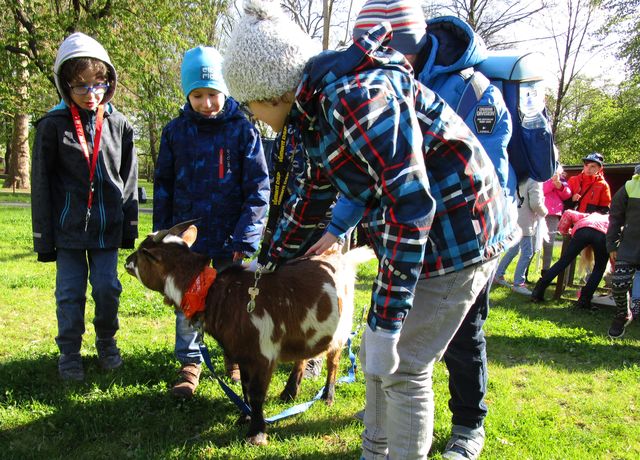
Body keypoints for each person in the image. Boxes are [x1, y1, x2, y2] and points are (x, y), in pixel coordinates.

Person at [222, 2, 514, 458]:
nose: (253, 116)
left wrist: (389, 318)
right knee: (379, 362)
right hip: (419, 236)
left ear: (271, 91)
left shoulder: (355, 99)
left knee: (403, 366)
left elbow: (412, 205)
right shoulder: (313, 113)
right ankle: (373, 452)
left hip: (460, 236)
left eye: (251, 105)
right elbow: (313, 197)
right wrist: (271, 261)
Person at [349, 5, 518, 459]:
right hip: (408, 238)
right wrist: (339, 223)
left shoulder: (472, 89)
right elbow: (368, 166)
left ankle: (467, 425)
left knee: (456, 339)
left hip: (465, 237)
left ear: (416, 44)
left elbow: (483, 168)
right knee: (387, 341)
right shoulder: (373, 84)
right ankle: (380, 441)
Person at [153, 46, 270, 397]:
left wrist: (247, 237)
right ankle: (190, 362)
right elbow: (163, 186)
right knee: (190, 300)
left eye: (213, 94)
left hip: (233, 240)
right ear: (187, 94)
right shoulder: (175, 133)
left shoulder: (243, 131)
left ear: (226, 91)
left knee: (234, 300)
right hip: (189, 242)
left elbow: (258, 188)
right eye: (198, 95)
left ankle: (235, 355)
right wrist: (164, 239)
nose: (206, 103)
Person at [31, 32, 138, 381]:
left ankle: (107, 342)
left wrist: (129, 229)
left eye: (99, 84)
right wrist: (44, 240)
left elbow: (129, 180)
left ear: (109, 81)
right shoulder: (52, 126)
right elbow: (42, 186)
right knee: (69, 294)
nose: (91, 94)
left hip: (107, 229)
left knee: (108, 289)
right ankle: (70, 353)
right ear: (65, 85)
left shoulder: (119, 125)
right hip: (69, 232)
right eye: (80, 87)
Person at [531, 209, 609, 310]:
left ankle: (537, 292)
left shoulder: (588, 215)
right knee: (599, 268)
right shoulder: (615, 220)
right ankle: (584, 301)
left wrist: (564, 231)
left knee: (563, 262)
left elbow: (568, 213)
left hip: (582, 229)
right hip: (603, 234)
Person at [494, 177, 548, 295]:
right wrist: (544, 212)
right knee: (527, 252)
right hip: (525, 221)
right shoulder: (535, 180)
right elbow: (536, 203)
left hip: (513, 217)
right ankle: (518, 283)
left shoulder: (518, 174)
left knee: (513, 249)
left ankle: (498, 275)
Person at [606, 164, 640, 338]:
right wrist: (612, 243)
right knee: (619, 284)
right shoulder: (630, 186)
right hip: (629, 246)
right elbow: (615, 216)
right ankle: (623, 314)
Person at [541, 165, 572, 276]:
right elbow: (540, 190)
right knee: (533, 244)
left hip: (553, 214)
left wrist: (560, 186)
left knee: (549, 243)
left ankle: (545, 271)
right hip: (539, 212)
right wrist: (552, 182)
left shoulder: (561, 178)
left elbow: (567, 194)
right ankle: (523, 272)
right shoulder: (540, 174)